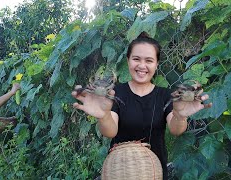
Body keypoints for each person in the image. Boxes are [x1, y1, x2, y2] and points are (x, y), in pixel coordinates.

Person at [71, 32, 212, 179]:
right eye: (136, 59)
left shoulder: (166, 95)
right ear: (128, 61)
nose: (142, 65)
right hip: (120, 170)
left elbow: (176, 130)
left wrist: (180, 115)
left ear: (157, 64)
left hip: (153, 170)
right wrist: (103, 115)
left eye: (149, 61)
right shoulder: (115, 93)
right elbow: (110, 132)